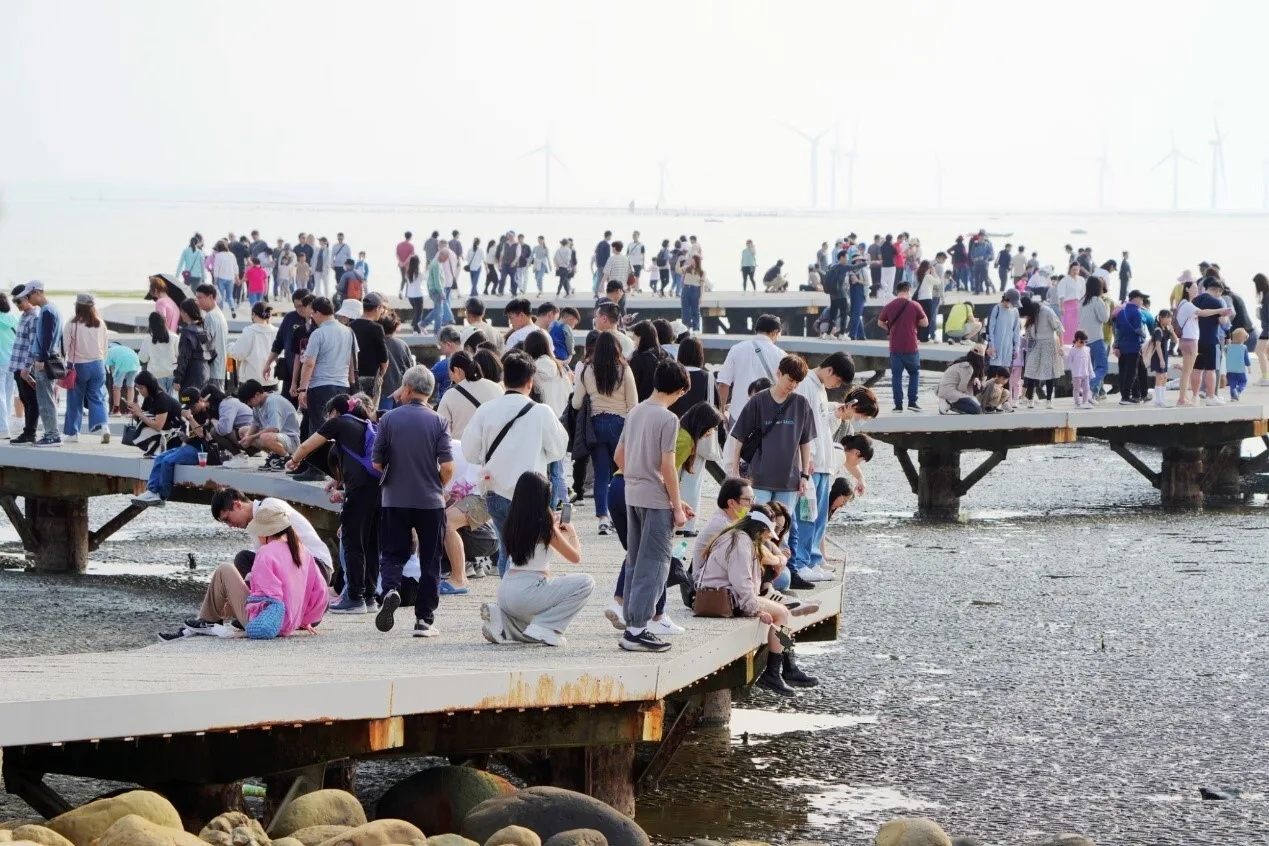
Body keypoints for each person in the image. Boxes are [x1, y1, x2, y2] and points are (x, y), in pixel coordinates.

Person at [463, 351, 569, 577]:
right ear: (530, 382)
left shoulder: (486, 410)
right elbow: (559, 449)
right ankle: (522, 601)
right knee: (530, 553)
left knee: (507, 550)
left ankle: (507, 602)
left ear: (504, 380)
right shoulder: (541, 412)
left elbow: (469, 452)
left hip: (496, 491)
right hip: (531, 494)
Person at [694, 509, 818, 696]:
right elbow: (742, 581)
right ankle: (776, 671)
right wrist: (755, 610)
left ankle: (786, 665)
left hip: (727, 593)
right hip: (725, 597)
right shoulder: (740, 543)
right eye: (767, 533)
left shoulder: (737, 537)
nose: (768, 538)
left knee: (782, 612)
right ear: (759, 529)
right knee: (782, 614)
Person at [613, 360, 692, 652]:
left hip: (632, 494)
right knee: (655, 564)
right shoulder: (668, 419)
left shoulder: (635, 412)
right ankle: (636, 631)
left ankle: (633, 624)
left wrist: (642, 476)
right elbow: (668, 467)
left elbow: (619, 456)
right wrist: (677, 506)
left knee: (635, 560)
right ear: (681, 390)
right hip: (656, 501)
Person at [374, 365, 453, 638]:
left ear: (407, 388)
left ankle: (391, 589)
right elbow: (448, 467)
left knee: (393, 552)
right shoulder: (439, 421)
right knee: (430, 558)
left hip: (394, 498)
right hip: (430, 501)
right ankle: (424, 621)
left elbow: (376, 462)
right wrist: (437, 485)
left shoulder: (388, 420)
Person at [287, 394, 381, 613]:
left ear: (335, 412)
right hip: (378, 491)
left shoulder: (339, 422)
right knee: (371, 544)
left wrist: (294, 459)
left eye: (329, 414)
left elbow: (308, 445)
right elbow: (358, 460)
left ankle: (354, 598)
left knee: (352, 542)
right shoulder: (366, 424)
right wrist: (338, 481)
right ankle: (369, 597)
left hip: (357, 494)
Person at [182, 501, 327, 640]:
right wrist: (303, 620)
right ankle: (205, 621)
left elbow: (265, 595)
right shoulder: (303, 551)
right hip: (290, 622)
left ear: (265, 532)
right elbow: (320, 593)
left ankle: (207, 620)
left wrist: (244, 617)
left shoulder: (266, 553)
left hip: (267, 623)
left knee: (224, 569)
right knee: (229, 599)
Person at [481, 470, 594, 647]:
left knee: (530, 624)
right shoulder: (545, 524)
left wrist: (554, 529)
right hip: (528, 591)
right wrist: (571, 533)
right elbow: (575, 557)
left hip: (506, 589)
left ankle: (503, 621)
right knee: (586, 582)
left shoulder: (511, 521)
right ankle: (548, 628)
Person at [729, 355, 815, 557]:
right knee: (757, 527)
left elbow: (805, 442)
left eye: (797, 382)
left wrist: (804, 476)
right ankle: (756, 570)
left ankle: (775, 573)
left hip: (789, 480)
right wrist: (734, 471)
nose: (792, 385)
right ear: (779, 373)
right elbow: (739, 438)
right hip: (759, 478)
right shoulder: (758, 401)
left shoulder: (801, 404)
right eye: (789, 380)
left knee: (780, 529)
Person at [790, 351, 855, 581]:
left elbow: (820, 424)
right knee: (806, 515)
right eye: (837, 380)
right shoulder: (806, 385)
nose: (836, 385)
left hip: (822, 463)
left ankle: (812, 559)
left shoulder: (819, 389)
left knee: (816, 517)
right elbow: (802, 428)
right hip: (812, 464)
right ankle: (800, 562)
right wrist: (804, 461)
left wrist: (837, 415)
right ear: (829, 370)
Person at [571, 333, 638, 536]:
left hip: (596, 424)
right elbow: (633, 405)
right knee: (623, 473)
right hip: (620, 424)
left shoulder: (587, 371)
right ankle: (625, 515)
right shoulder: (624, 370)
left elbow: (575, 403)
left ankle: (603, 518)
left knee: (601, 475)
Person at [297, 296, 354, 441]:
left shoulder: (318, 333)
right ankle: (337, 462)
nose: (312, 317)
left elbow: (309, 363)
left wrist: (302, 389)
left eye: (313, 314)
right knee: (340, 427)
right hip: (343, 386)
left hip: (320, 386)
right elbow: (352, 361)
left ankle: (318, 462)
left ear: (318, 313)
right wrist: (351, 384)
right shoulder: (348, 332)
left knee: (319, 429)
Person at [525, 331, 571, 507]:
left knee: (544, 467)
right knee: (557, 465)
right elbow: (568, 392)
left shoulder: (532, 370)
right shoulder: (560, 368)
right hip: (561, 418)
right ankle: (562, 502)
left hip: (542, 418)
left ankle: (550, 506)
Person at [61, 293, 111, 444]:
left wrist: (63, 364)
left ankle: (73, 433)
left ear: (77, 306)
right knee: (98, 397)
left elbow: (64, 346)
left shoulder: (72, 323)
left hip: (77, 366)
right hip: (98, 364)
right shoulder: (100, 323)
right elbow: (105, 346)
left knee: (74, 400)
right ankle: (104, 428)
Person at [20, 281, 63, 447]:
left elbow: (47, 337)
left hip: (45, 359)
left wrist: (41, 360)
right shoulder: (53, 309)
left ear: (37, 292)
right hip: (51, 356)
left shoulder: (47, 311)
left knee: (45, 399)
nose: (28, 299)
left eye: (28, 295)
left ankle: (52, 435)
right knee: (47, 397)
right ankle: (51, 433)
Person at [877, 281, 928, 413]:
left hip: (895, 348)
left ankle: (898, 406)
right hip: (911, 346)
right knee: (914, 374)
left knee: (896, 376)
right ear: (908, 290)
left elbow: (880, 322)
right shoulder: (914, 305)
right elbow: (925, 323)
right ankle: (912, 402)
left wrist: (890, 327)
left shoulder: (889, 305)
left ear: (897, 291)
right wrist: (913, 322)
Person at [1189, 277, 1235, 406]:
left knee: (1197, 369)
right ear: (1219, 291)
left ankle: (1194, 396)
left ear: (1205, 288)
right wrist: (1226, 316)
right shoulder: (1217, 302)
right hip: (1211, 339)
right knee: (1211, 369)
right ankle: (1210, 396)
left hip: (1196, 339)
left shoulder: (1195, 300)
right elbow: (1224, 323)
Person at [239, 379, 301, 471]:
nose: (248, 404)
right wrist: (247, 437)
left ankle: (286, 458)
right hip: (278, 438)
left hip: (291, 440)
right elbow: (255, 424)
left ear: (257, 394)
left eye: (248, 400)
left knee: (265, 436)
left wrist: (251, 438)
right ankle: (275, 456)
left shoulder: (273, 402)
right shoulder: (257, 404)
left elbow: (273, 429)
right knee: (243, 431)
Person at [123, 370, 186, 460]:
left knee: (146, 418)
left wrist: (140, 414)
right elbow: (142, 418)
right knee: (145, 418)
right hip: (167, 430)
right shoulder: (149, 397)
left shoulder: (162, 399)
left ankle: (158, 449)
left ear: (149, 386)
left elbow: (158, 426)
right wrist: (135, 412)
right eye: (138, 388)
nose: (140, 391)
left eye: (141, 388)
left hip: (177, 434)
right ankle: (154, 448)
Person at [8, 286, 40, 445]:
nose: (16, 304)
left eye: (18, 300)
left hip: (25, 367)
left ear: (27, 298)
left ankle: (30, 433)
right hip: (17, 365)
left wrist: (27, 368)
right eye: (14, 301)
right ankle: (27, 432)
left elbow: (33, 345)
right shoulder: (25, 316)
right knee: (24, 399)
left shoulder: (34, 317)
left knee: (31, 400)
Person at [1020, 296, 1064, 408]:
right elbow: (1029, 333)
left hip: (1049, 343)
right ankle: (1030, 399)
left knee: (1049, 372)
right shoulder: (1032, 315)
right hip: (1036, 344)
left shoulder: (1047, 311)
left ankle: (1049, 400)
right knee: (1030, 371)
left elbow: (1058, 328)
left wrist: (1061, 346)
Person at [230, 302, 277, 386]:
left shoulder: (249, 331)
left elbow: (238, 354)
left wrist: (230, 347)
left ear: (254, 314)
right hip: (271, 379)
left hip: (251, 381)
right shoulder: (276, 331)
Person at [379, 314, 415, 412]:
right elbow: (411, 368)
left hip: (383, 390)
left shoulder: (378, 343)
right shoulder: (403, 345)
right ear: (395, 327)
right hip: (401, 390)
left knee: (382, 422)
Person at [628, 321, 667, 401]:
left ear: (641, 338)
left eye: (635, 338)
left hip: (642, 404)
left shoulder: (638, 359)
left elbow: (631, 387)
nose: (634, 342)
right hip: (664, 403)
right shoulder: (666, 355)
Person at [1143, 310, 1175, 407]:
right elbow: (1157, 346)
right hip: (1158, 357)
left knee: (1164, 377)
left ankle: (1162, 399)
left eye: (1170, 317)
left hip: (1164, 356)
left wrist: (1172, 331)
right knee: (1159, 377)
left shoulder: (1166, 329)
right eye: (1167, 317)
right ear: (1161, 317)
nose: (1170, 319)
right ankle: (1158, 401)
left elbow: (1175, 340)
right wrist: (1161, 360)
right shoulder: (1158, 330)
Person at [987, 289, 1021, 373]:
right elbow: (991, 328)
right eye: (1011, 302)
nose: (1012, 305)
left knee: (1005, 377)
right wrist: (991, 345)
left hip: (1008, 349)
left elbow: (1016, 330)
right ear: (1006, 299)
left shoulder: (1015, 311)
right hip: (996, 348)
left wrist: (1016, 348)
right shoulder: (996, 309)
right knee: (993, 375)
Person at [105, 340, 141, 416]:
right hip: (135, 361)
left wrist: (115, 380)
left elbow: (111, 369)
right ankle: (130, 410)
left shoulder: (108, 351)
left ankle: (116, 410)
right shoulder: (124, 348)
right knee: (131, 386)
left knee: (117, 387)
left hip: (122, 362)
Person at [914, 259, 942, 343]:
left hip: (919, 300)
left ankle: (918, 337)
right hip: (927, 300)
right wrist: (934, 272)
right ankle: (925, 338)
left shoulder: (919, 275)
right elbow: (938, 282)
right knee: (926, 319)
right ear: (928, 268)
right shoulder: (928, 276)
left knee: (919, 319)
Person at [211, 241, 239, 316]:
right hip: (230, 278)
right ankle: (232, 309)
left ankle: (220, 312)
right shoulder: (231, 255)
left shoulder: (218, 255)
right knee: (230, 296)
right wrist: (237, 277)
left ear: (218, 248)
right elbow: (235, 266)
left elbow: (216, 268)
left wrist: (215, 279)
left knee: (220, 296)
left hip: (221, 278)